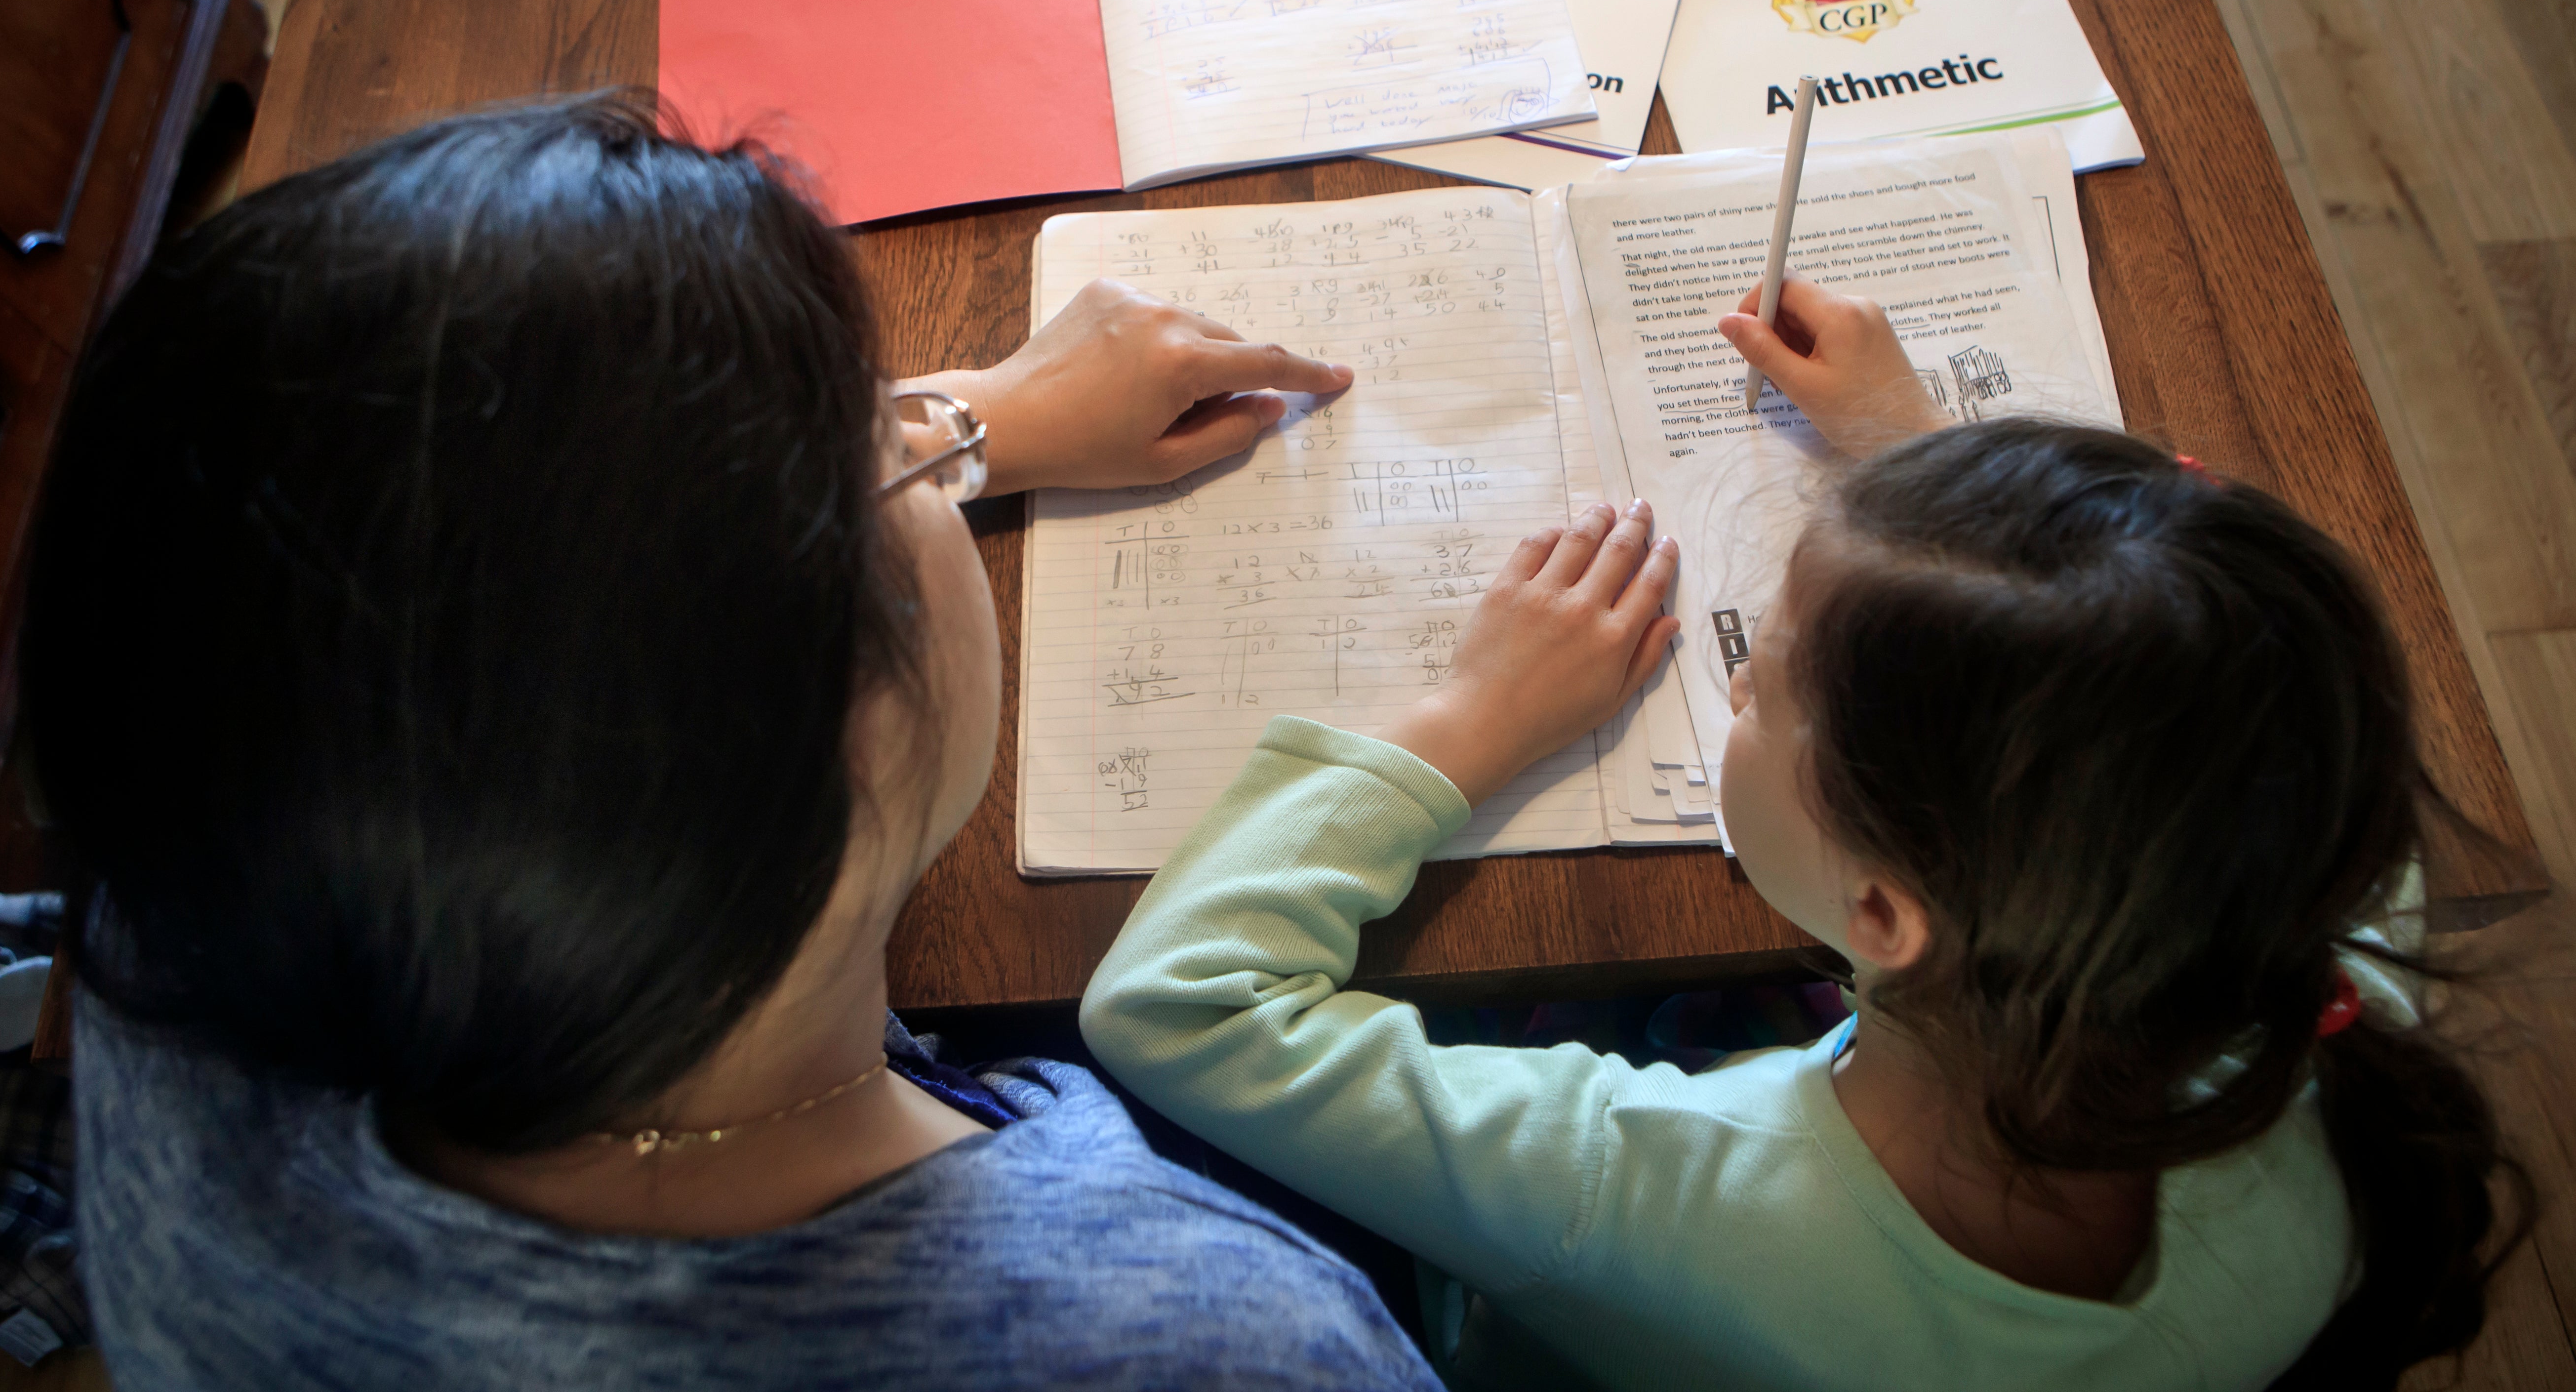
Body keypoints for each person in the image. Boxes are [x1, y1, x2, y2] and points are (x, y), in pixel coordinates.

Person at [22, 97, 1445, 1389]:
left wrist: (978, 418)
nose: (921, 441)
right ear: (850, 746)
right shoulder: (1213, 1345)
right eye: (884, 451)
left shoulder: (191, 866)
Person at [1081, 277, 2528, 1390]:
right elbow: (2220, 701)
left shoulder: (1634, 1192)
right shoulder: (2324, 976)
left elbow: (1179, 1005)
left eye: (1759, 677)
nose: (1741, 682)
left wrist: (1470, 710)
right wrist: (1930, 482)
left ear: (1886, 915)